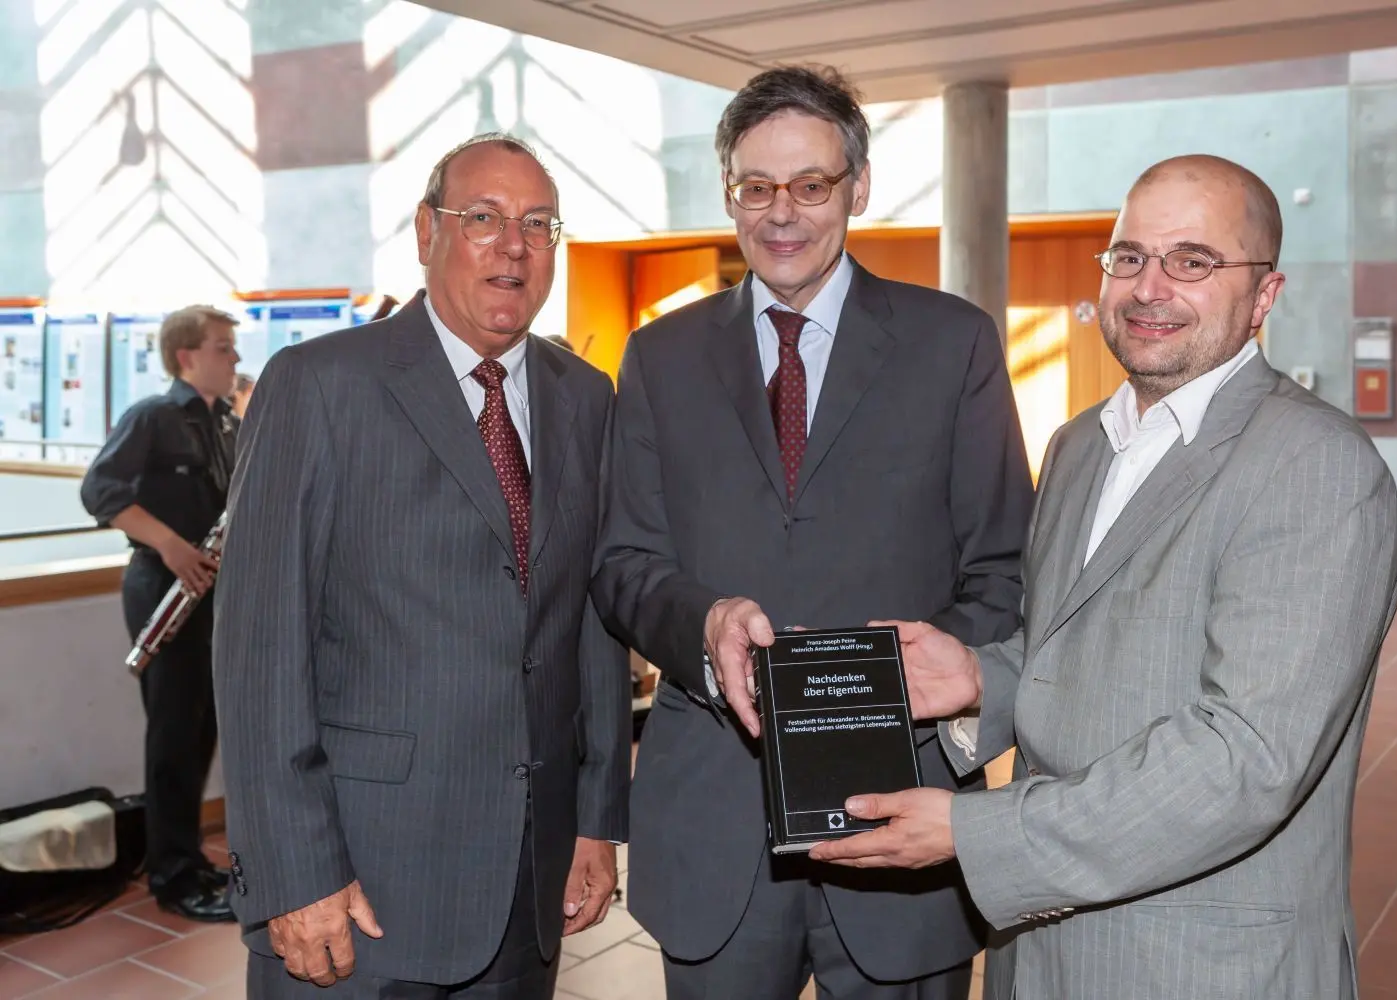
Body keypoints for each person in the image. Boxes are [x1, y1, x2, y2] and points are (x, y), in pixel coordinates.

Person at [808, 154, 1397, 1000]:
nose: (1148, 287)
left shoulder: (1316, 467)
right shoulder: (1082, 444)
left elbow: (1245, 759)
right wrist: (983, 677)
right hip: (1041, 952)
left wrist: (976, 832)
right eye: (1128, 257)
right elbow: (1074, 643)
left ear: (1264, 296)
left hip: (1201, 965)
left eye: (1191, 260)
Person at [592, 65, 1034, 1000]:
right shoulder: (661, 357)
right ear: (730, 195)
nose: (780, 212)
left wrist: (931, 674)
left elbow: (1003, 567)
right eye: (756, 187)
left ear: (858, 189)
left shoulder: (953, 344)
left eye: (811, 184)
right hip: (716, 826)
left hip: (900, 815)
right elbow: (624, 562)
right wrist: (702, 629)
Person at [213, 132, 631, 998]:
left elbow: (590, 623)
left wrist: (594, 818)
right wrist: (295, 872)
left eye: (538, 223)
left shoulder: (586, 398)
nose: (513, 245)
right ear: (424, 231)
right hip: (360, 887)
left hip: (528, 882)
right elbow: (259, 652)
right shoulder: (318, 386)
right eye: (482, 217)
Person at [80, 304, 242, 922]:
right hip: (163, 585)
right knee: (173, 732)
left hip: (211, 591)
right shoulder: (151, 415)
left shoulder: (225, 422)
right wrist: (170, 544)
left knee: (201, 727)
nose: (233, 359)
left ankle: (191, 858)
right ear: (187, 357)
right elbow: (101, 490)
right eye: (223, 348)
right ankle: (172, 875)